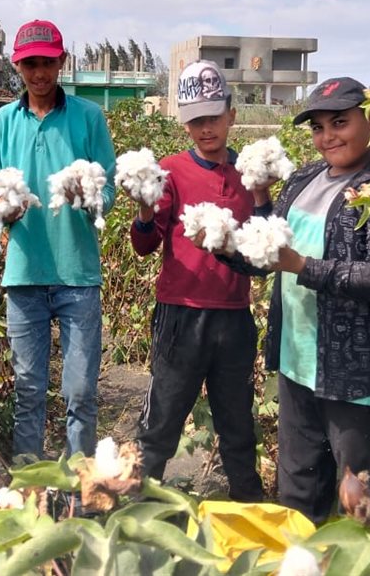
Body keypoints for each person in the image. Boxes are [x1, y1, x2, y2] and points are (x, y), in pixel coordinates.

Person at [256, 77, 370, 523]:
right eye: (318, 127)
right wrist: (234, 236)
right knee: (297, 492)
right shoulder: (306, 177)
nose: (327, 137)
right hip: (298, 363)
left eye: (339, 123)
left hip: (357, 376)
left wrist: (304, 267)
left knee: (360, 503)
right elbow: (271, 246)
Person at [129, 60, 266, 501]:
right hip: (180, 317)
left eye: (213, 117)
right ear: (185, 124)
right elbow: (144, 246)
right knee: (160, 426)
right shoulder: (170, 171)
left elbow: (264, 243)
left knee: (238, 428)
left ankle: (251, 515)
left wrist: (263, 200)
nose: (206, 129)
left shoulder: (250, 175)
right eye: (196, 121)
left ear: (232, 113)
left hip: (234, 319)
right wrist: (145, 211)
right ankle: (139, 515)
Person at [0, 19, 116, 460]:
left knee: (80, 394)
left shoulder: (88, 117)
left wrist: (88, 198)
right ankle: (29, 492)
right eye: (30, 65)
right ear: (17, 67)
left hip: (77, 275)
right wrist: (6, 207)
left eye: (47, 62)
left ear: (61, 62)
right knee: (28, 394)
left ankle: (82, 494)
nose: (39, 73)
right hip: (23, 275)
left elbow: (110, 190)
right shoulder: (4, 121)